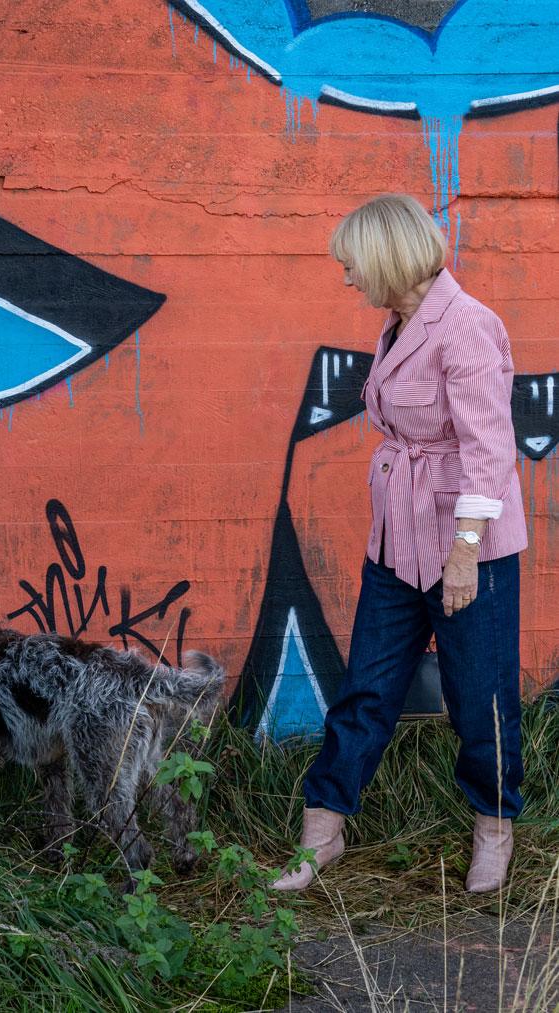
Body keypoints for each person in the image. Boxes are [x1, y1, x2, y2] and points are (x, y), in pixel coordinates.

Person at [271, 194, 528, 894]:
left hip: (466, 547)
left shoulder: (465, 327)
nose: (347, 277)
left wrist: (464, 552)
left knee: (480, 698)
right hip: (395, 543)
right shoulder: (400, 321)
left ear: (385, 257)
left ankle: (494, 830)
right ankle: (321, 834)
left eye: (352, 262)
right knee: (365, 690)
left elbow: (488, 450)